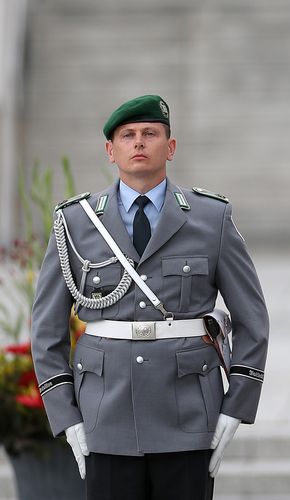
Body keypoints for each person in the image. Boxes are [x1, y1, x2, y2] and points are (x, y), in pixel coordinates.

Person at [30, 95, 270, 500]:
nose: (138, 142)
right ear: (111, 151)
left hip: (189, 413)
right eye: (127, 135)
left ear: (170, 147)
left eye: (150, 134)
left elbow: (252, 318)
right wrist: (65, 414)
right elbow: (46, 329)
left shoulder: (211, 217)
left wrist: (238, 403)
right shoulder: (75, 222)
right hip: (105, 414)